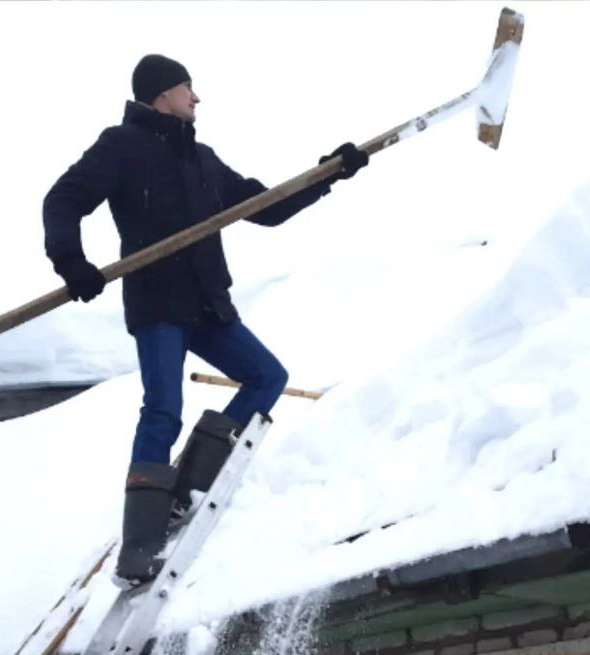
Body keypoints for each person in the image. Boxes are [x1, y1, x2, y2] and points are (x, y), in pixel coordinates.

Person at [43, 54, 368, 583]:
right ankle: (138, 546)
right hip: (158, 304)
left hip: (208, 305)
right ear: (160, 95)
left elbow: (266, 207)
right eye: (187, 87)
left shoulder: (203, 159)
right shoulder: (120, 146)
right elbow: (62, 200)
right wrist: (71, 262)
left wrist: (327, 173)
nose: (196, 98)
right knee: (163, 408)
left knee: (268, 376)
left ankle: (188, 487)